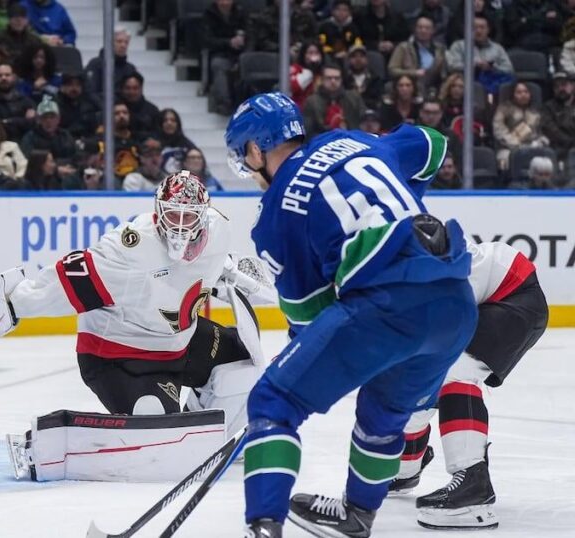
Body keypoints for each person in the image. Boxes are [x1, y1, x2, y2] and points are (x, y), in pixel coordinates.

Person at [225, 92, 477, 538]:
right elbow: (434, 143)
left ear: (255, 149)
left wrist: (308, 361)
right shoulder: (356, 140)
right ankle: (356, 515)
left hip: (387, 305)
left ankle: (263, 528)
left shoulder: (275, 218)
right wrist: (404, 199)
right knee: (384, 412)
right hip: (456, 299)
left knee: (273, 402)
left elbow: (311, 317)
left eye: (245, 159)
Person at [0, 170, 267, 450]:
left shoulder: (218, 231)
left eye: (188, 217)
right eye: (172, 215)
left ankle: (204, 434)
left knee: (244, 361)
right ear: (157, 212)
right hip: (120, 358)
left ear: (203, 215)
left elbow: (211, 267)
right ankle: (83, 441)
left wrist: (232, 273)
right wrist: (12, 306)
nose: (180, 226)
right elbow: (66, 281)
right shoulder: (132, 250)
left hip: (181, 342)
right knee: (156, 435)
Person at [389, 242, 547, 530]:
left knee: (454, 372)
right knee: (413, 384)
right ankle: (405, 470)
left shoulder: (420, 275)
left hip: (514, 298)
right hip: (486, 298)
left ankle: (473, 484)